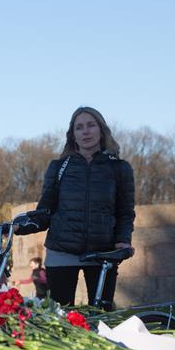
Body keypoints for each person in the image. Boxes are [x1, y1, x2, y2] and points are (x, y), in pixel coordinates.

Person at [21, 106, 135, 310]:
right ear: (73, 135)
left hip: (103, 254)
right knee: (60, 320)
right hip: (61, 252)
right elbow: (45, 210)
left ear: (101, 130)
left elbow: (125, 212)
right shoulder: (58, 167)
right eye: (79, 127)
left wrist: (123, 240)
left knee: (103, 319)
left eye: (91, 125)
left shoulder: (119, 168)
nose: (86, 131)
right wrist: (21, 225)